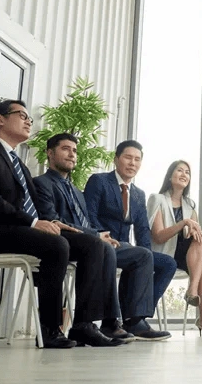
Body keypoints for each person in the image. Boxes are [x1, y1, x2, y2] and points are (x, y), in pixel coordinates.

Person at [0, 100, 122, 348]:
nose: (28, 121)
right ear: (0, 120)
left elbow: (32, 210)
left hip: (22, 231)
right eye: (22, 115)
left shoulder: (19, 164)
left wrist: (53, 222)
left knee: (92, 244)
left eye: (30, 119)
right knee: (56, 245)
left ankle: (83, 326)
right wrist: (35, 222)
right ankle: (49, 329)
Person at [39, 135, 171, 341]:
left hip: (106, 243)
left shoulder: (77, 191)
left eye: (137, 159)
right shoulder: (97, 181)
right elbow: (82, 219)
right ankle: (108, 321)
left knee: (147, 256)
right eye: (128, 157)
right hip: (82, 241)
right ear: (116, 159)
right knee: (106, 248)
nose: (132, 163)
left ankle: (134, 319)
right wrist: (98, 235)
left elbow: (143, 229)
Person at [146, 160, 202, 337]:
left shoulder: (190, 205)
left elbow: (194, 235)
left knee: (201, 240)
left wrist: (192, 228)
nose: (184, 174)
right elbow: (158, 236)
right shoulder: (157, 199)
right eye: (179, 170)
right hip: (164, 252)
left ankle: (192, 290)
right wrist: (183, 223)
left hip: (186, 255)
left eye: (187, 172)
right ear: (170, 175)